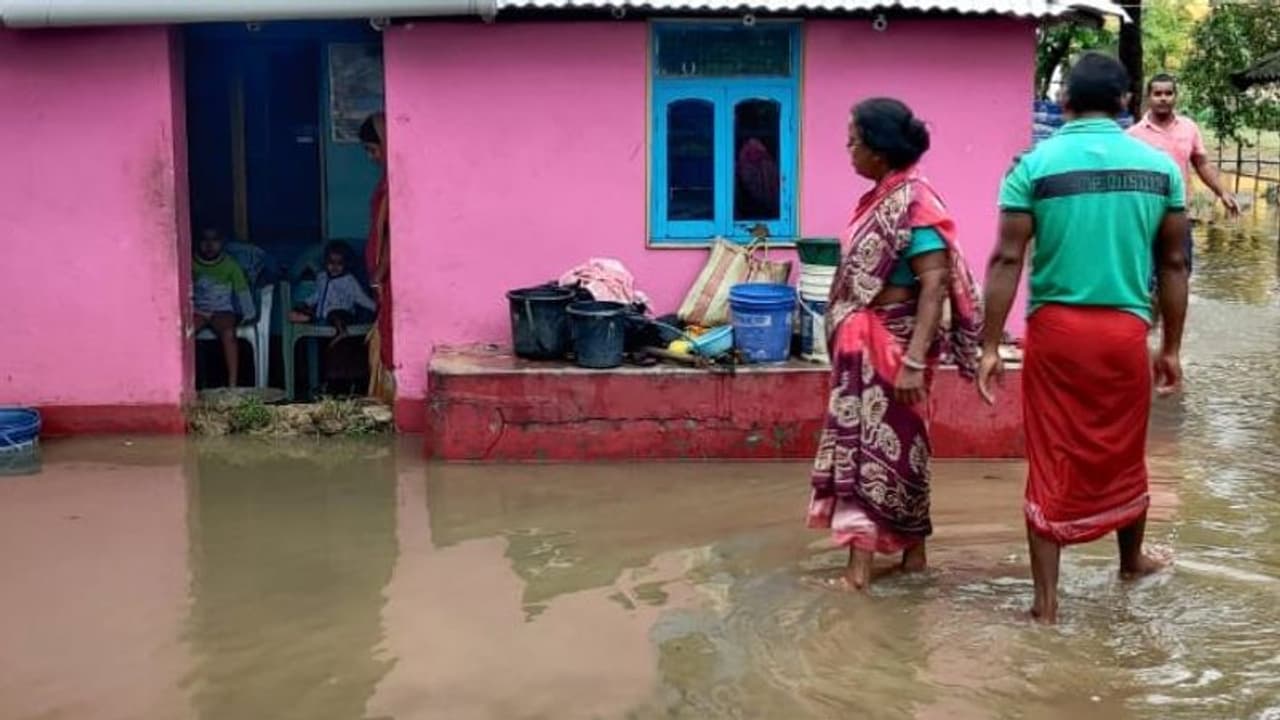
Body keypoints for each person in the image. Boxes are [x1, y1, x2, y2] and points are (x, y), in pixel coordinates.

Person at [979, 53, 1190, 623]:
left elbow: (1005, 258)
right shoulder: (1161, 169)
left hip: (1056, 333)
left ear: (1064, 101)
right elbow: (1174, 264)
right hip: (1125, 331)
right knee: (1125, 449)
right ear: (1127, 103)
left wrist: (989, 344)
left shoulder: (1033, 165)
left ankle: (1046, 605)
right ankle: (1131, 561)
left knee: (1052, 456)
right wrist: (1169, 347)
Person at [807, 98, 984, 590]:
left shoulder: (914, 202)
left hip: (893, 346)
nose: (848, 151)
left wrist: (910, 360)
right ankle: (913, 560)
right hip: (869, 340)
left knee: (873, 451)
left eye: (853, 141)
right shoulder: (885, 197)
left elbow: (935, 282)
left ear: (879, 152)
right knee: (900, 450)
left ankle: (859, 573)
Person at [1129, 72, 1240, 274]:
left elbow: (1202, 164)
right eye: (1158, 93)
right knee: (1145, 277)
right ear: (1149, 98)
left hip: (1179, 212)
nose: (1163, 98)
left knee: (1180, 269)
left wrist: (1222, 192)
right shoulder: (1133, 135)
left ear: (1175, 96)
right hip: (1145, 216)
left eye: (1168, 93)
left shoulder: (1189, 128)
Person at [192, 228, 256, 388]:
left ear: (222, 243)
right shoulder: (191, 264)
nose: (209, 245)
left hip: (222, 311)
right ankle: (189, 384)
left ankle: (232, 384)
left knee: (229, 333)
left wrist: (249, 314)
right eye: (204, 240)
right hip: (197, 310)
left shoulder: (230, 265)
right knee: (185, 333)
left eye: (214, 240)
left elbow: (242, 291)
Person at [360, 112, 395, 401]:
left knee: (387, 337)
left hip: (387, 278)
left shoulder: (393, 185)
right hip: (382, 279)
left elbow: (392, 235)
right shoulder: (386, 181)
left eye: (373, 150)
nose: (372, 157)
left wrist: (378, 275)